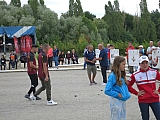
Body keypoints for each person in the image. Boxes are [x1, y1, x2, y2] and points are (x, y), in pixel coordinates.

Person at [128, 55, 160, 120]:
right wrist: (136, 93)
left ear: (148, 63)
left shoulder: (154, 72)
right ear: (139, 64)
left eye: (146, 63)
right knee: (145, 118)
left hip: (154, 99)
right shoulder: (135, 75)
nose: (145, 65)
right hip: (143, 100)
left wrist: (158, 91)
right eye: (142, 63)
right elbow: (128, 85)